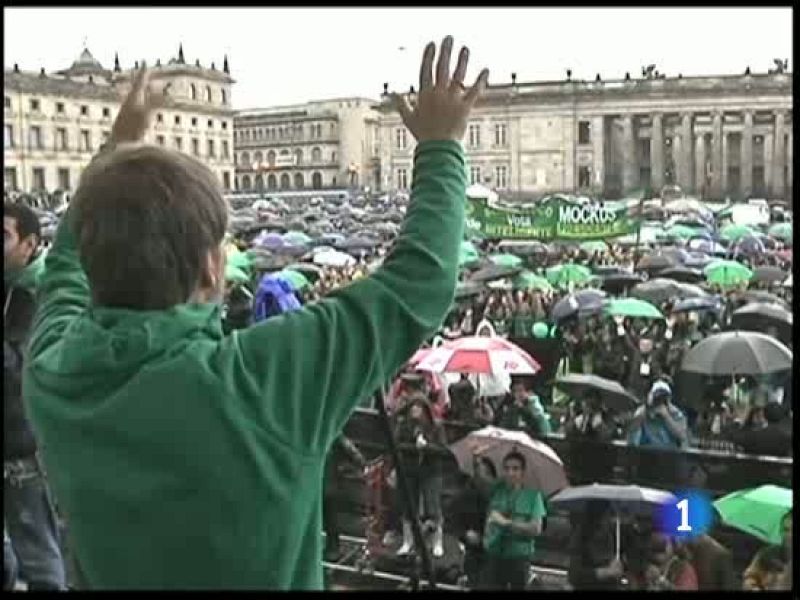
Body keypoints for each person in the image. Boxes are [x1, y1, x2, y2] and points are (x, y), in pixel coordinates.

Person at [21, 38, 490, 589]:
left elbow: (66, 268)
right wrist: (439, 145)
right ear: (210, 271)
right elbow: (420, 283)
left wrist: (116, 156)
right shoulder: (260, 379)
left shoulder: (53, 368)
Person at [3, 203, 67, 590]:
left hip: (22, 450)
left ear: (30, 244)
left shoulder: (39, 293)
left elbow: (19, 369)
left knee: (40, 561)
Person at [479, 450, 546, 590]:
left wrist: (506, 523)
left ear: (523, 472)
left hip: (519, 557)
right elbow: (481, 481)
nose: (510, 473)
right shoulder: (496, 490)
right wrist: (477, 459)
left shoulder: (533, 496)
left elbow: (535, 529)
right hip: (494, 554)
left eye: (515, 469)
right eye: (507, 469)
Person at [392, 398, 448, 558]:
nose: (415, 410)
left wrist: (427, 447)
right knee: (409, 506)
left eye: (419, 407)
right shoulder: (404, 425)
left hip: (431, 471)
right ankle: (408, 542)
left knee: (433, 506)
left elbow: (443, 450)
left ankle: (437, 541)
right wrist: (414, 446)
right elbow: (397, 445)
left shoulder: (436, 426)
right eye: (413, 406)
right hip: (410, 470)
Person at [323, 435, 366, 561]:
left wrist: (356, 464)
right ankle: (332, 548)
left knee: (329, 518)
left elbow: (354, 454)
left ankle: (333, 549)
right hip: (323, 484)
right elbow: (354, 454)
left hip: (326, 484)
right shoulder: (333, 434)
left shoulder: (334, 435)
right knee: (328, 518)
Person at [567, 500, 626, 590]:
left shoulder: (612, 535)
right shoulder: (581, 537)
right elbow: (574, 575)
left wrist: (620, 565)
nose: (609, 520)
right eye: (607, 515)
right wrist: (606, 572)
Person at [627, 380, 689, 450]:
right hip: (645, 453)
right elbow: (631, 435)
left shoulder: (676, 413)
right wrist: (643, 414)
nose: (660, 401)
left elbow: (682, 436)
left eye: (663, 398)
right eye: (657, 397)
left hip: (669, 455)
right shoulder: (643, 411)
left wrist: (666, 416)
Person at [742, 510, 792, 590]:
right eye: (786, 530)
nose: (789, 535)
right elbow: (750, 576)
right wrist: (753, 587)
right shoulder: (768, 553)